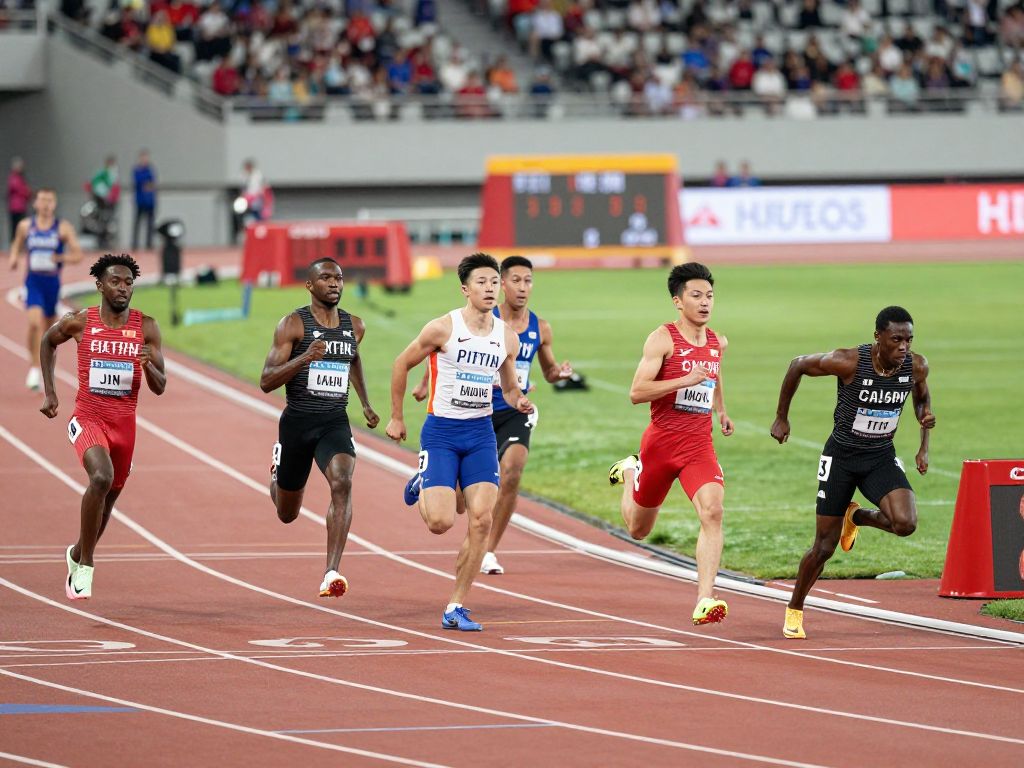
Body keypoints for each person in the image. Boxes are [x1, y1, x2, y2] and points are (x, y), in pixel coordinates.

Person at [386, 253, 533, 631]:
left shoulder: (507, 338)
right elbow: (401, 363)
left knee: (481, 520)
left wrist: (519, 400)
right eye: (481, 283)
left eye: (493, 282)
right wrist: (397, 416)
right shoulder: (442, 329)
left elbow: (510, 385)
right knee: (440, 521)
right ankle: (423, 482)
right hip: (441, 433)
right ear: (465, 289)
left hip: (481, 434)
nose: (489, 288)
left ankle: (455, 605)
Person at [770, 306, 934, 639]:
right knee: (824, 547)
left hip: (880, 457)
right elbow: (797, 365)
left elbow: (921, 396)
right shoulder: (848, 361)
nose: (903, 347)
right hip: (842, 458)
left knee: (905, 523)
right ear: (878, 337)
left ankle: (856, 518)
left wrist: (923, 424)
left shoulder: (916, 365)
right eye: (896, 339)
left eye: (908, 339)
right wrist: (782, 417)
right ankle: (795, 608)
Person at [411, 255, 572, 575]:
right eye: (515, 280)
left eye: (528, 281)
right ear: (502, 283)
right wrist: (423, 383)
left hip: (514, 410)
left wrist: (558, 374)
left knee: (513, 470)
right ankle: (430, 481)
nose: (522, 287)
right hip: (472, 412)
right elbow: (448, 355)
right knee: (457, 504)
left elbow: (548, 370)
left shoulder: (540, 327)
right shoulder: (485, 316)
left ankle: (488, 550)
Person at [608, 262, 734, 626]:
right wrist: (681, 380)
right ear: (678, 301)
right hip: (660, 445)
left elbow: (714, 370)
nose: (705, 302)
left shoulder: (716, 341)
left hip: (698, 445)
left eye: (709, 295)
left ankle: (705, 598)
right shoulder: (661, 339)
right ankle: (632, 469)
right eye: (696, 296)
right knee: (638, 529)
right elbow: (636, 392)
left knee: (713, 511)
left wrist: (721, 410)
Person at [39, 253, 167, 600]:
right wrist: (51, 392)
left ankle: (78, 551)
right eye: (116, 281)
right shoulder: (80, 321)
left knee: (108, 500)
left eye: (128, 283)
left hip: (124, 423)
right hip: (88, 415)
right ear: (99, 285)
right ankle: (86, 567)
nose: (123, 288)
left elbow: (160, 386)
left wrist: (149, 366)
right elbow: (48, 341)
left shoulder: (147, 327)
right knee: (100, 477)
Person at [259, 257, 379, 598]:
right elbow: (267, 381)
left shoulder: (355, 325)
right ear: (310, 285)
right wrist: (304, 358)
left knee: (343, 481)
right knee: (287, 513)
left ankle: (331, 572)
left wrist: (365, 402)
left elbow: (353, 358)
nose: (334, 284)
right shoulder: (293, 325)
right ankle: (277, 474)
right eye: (325, 278)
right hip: (298, 423)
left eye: (339, 278)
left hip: (333, 421)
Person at [7, 188, 83, 390]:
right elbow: (16, 244)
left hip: (52, 284)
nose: (46, 204)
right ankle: (33, 367)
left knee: (50, 334)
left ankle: (46, 370)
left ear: (54, 204)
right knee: (34, 323)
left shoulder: (62, 228)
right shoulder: (26, 226)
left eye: (50, 200)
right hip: (33, 283)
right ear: (36, 204)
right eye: (43, 200)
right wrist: (14, 257)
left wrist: (60, 258)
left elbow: (78, 255)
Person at [132, 149, 157, 251]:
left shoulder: (150, 170)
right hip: (140, 201)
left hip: (150, 202)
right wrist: (146, 184)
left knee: (150, 224)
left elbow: (152, 184)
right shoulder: (137, 170)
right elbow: (139, 182)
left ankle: (149, 244)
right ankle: (135, 244)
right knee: (137, 223)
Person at [7, 156, 30, 246]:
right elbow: (22, 190)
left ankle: (20, 246)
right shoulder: (14, 178)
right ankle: (15, 246)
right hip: (16, 208)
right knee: (16, 228)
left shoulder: (20, 178)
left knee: (21, 228)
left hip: (21, 206)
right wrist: (27, 192)